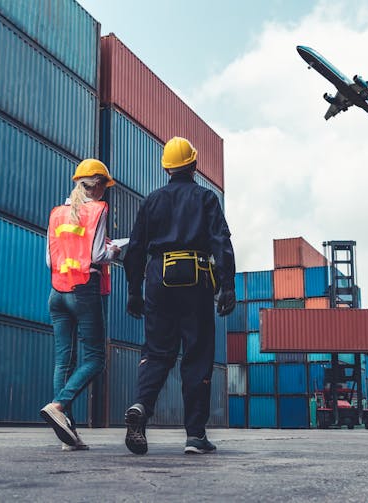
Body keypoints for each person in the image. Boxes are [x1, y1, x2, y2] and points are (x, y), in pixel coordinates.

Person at [123, 137, 236, 455]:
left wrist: (134, 290)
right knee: (197, 354)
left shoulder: (152, 201)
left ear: (166, 168)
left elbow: (135, 249)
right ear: (194, 164)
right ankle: (195, 436)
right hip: (195, 278)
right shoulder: (206, 198)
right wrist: (228, 285)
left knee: (157, 352)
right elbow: (220, 242)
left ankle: (142, 406)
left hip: (158, 278)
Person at [41, 158, 121, 451]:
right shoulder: (97, 210)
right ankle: (59, 405)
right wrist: (114, 250)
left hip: (56, 292)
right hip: (84, 291)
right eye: (105, 186)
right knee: (96, 358)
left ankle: (68, 436)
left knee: (64, 360)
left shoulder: (57, 214)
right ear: (98, 185)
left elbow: (50, 260)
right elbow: (98, 255)